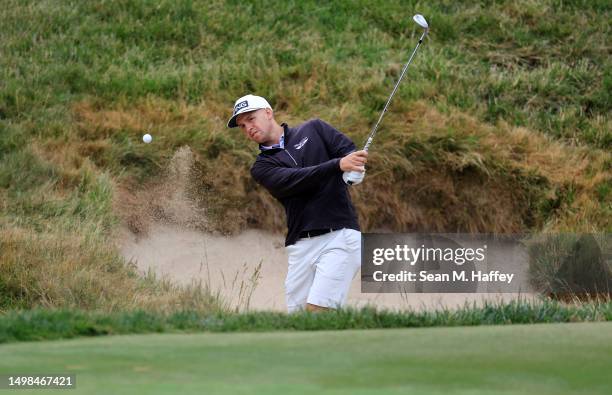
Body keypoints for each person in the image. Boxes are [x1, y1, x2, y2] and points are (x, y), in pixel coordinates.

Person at [227, 94, 368, 313]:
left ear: (268, 112)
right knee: (299, 319)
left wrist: (355, 169)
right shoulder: (262, 167)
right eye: (242, 126)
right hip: (300, 246)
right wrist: (338, 165)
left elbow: (349, 152)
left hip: (340, 236)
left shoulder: (315, 129)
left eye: (251, 119)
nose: (248, 128)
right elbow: (295, 180)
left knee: (318, 310)